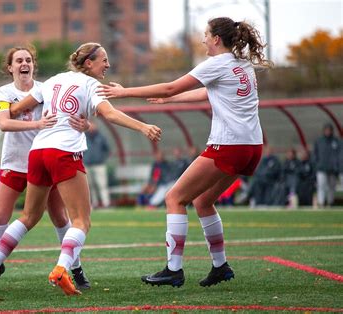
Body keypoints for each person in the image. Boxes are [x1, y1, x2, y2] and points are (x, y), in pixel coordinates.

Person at [0, 42, 161, 295]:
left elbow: (16, 109)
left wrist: (2, 117)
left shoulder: (53, 80)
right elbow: (110, 114)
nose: (107, 65)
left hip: (38, 152)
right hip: (63, 153)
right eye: (103, 60)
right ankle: (62, 269)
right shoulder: (92, 84)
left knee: (29, 217)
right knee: (82, 221)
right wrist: (143, 127)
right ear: (88, 64)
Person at [98, 17, 271, 288]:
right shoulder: (242, 64)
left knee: (174, 198)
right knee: (202, 202)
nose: (203, 39)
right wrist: (170, 100)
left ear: (216, 39)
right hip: (252, 146)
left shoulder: (217, 63)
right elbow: (207, 93)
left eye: (206, 34)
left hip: (228, 145)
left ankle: (173, 269)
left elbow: (171, 85)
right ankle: (220, 266)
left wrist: (123, 92)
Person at [0, 45, 94, 291]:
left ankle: (76, 269)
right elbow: (4, 123)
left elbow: (69, 119)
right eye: (18, 60)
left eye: (28, 59)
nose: (24, 63)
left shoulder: (46, 88)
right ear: (10, 68)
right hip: (16, 161)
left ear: (33, 65)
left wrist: (84, 125)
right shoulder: (3, 92)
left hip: (42, 161)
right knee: (0, 215)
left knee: (60, 217)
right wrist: (36, 123)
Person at [83, 120, 111, 208]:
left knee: (102, 184)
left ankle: (106, 203)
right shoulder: (83, 137)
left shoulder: (101, 137)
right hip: (87, 164)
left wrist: (101, 158)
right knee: (89, 186)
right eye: (90, 125)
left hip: (99, 165)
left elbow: (107, 150)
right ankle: (93, 203)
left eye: (93, 125)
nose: (91, 127)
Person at [312, 123, 341, 207]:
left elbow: (339, 155)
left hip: (333, 169)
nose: (328, 131)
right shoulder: (319, 141)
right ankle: (321, 202)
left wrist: (337, 166)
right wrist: (317, 164)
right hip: (321, 168)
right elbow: (315, 154)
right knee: (321, 186)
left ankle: (330, 202)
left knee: (331, 186)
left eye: (329, 130)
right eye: (326, 130)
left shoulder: (337, 141)